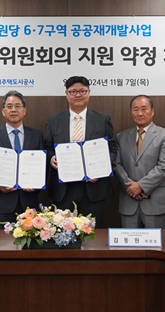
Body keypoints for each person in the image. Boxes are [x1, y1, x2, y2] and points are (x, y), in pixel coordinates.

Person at [45, 76, 114, 228]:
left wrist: (101, 170)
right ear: (66, 94)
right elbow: (47, 148)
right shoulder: (54, 120)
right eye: (73, 91)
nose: (78, 95)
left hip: (94, 188)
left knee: (93, 234)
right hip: (63, 189)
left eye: (82, 91)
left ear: (89, 92)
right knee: (62, 234)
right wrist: (51, 159)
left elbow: (112, 150)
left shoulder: (102, 119)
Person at [0, 90, 44, 229]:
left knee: (28, 243)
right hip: (1, 205)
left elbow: (43, 166)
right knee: (1, 242)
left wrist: (36, 185)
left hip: (29, 205)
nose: (13, 110)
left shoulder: (36, 136)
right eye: (9, 106)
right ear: (3, 111)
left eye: (18, 106)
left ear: (24, 110)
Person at [114, 95, 165, 229]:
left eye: (144, 109)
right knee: (130, 242)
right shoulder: (121, 136)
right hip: (129, 201)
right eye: (135, 109)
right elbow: (117, 165)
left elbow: (164, 167)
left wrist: (141, 186)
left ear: (152, 111)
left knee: (156, 242)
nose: (140, 113)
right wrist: (130, 188)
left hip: (155, 202)